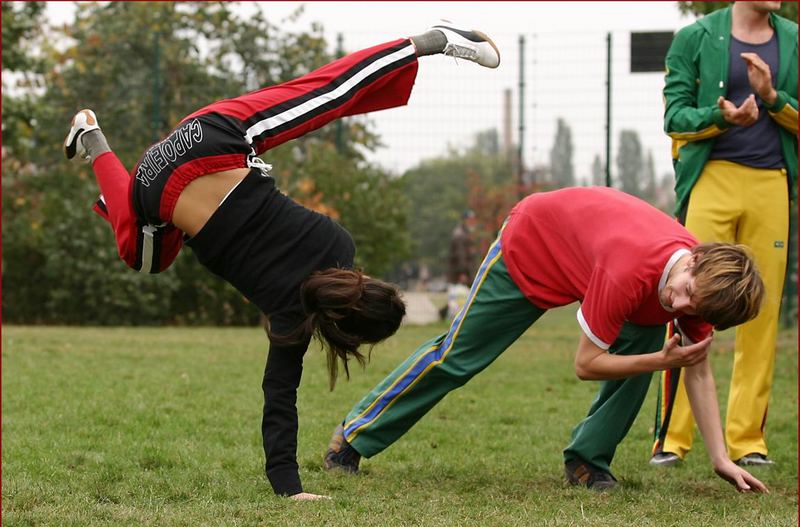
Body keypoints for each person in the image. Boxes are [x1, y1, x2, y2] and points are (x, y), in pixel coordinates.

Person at [63, 22, 501, 500]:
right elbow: (279, 398)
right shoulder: (291, 322)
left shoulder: (339, 244)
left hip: (211, 138)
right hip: (155, 183)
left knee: (329, 93)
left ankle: (429, 43)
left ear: (364, 282)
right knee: (141, 257)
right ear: (344, 335)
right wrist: (288, 488)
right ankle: (96, 146)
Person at [324, 186, 768, 494]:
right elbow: (586, 364)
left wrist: (721, 459)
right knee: (457, 357)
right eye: (686, 292)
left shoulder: (706, 290)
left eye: (695, 309)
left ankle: (586, 461)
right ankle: (355, 436)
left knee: (646, 353)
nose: (682, 306)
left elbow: (700, 369)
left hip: (592, 256)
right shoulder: (629, 270)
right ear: (694, 259)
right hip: (533, 244)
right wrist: (659, 361)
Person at [650, 1, 797, 468]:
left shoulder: (794, 39)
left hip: (771, 181)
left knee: (761, 311)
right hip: (710, 180)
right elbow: (674, 117)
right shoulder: (695, 38)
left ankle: (747, 440)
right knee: (687, 302)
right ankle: (673, 439)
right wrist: (721, 118)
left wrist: (772, 98)